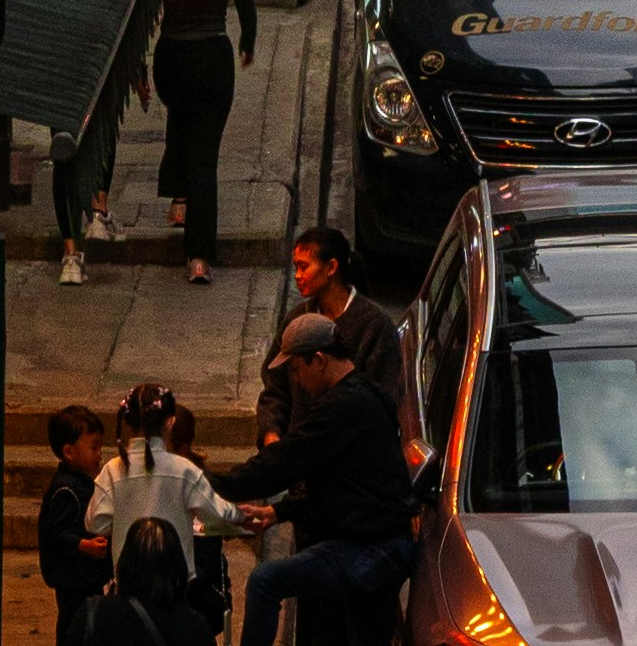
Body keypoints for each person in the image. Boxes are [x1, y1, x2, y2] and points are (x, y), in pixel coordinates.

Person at [231, 311, 423, 645]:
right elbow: (331, 481)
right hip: (372, 542)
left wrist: (211, 482)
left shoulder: (343, 407)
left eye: (296, 369)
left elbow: (284, 462)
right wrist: (277, 513)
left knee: (265, 581)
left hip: (372, 549)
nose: (296, 380)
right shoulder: (361, 396)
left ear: (318, 360)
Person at [141, 0, 256, 283]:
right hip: (213, 58)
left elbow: (144, 12)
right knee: (204, 159)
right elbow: (247, 7)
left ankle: (177, 200)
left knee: (181, 121)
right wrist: (248, 43)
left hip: (172, 59)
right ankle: (200, 257)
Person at [92, 387, 234, 641]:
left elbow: (95, 521)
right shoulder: (184, 470)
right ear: (170, 422)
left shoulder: (113, 470)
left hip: (128, 582)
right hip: (178, 587)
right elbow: (219, 515)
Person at [255, 222, 402, 449]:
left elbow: (381, 403)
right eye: (296, 267)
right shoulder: (296, 319)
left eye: (304, 267)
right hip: (301, 458)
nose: (297, 276)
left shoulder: (375, 325)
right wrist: (271, 433)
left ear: (331, 267)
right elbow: (276, 387)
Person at [42, 412, 118, 646]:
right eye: (93, 448)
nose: (99, 455)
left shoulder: (81, 483)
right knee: (75, 623)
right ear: (69, 452)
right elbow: (54, 532)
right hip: (73, 576)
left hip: (86, 576)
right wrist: (84, 545)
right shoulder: (66, 491)